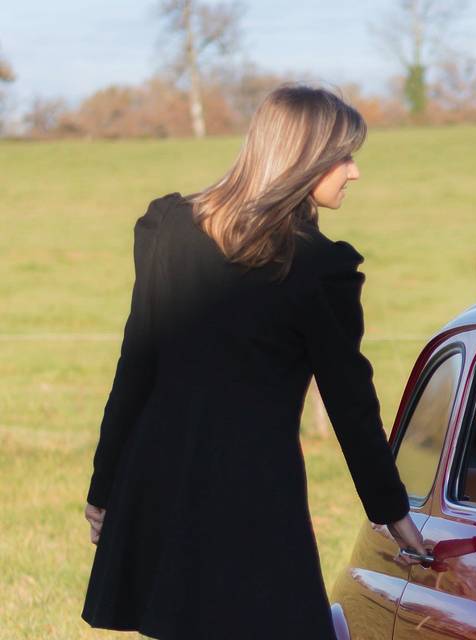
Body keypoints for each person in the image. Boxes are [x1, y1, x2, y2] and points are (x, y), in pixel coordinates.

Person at [81, 85, 428, 639]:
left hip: (162, 481)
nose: (354, 172)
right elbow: (350, 401)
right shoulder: (318, 269)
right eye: (344, 156)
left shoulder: (170, 229)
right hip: (253, 497)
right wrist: (393, 513)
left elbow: (135, 367)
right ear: (304, 159)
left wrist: (106, 488)